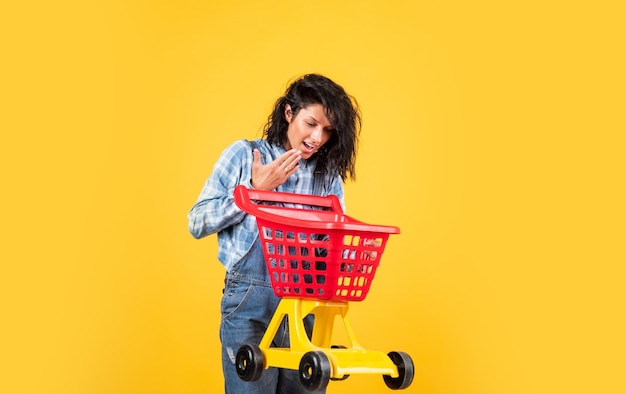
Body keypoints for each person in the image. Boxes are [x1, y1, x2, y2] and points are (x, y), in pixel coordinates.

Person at [187, 73, 361, 393]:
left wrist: (347, 261)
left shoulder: (328, 176)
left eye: (328, 130)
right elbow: (197, 222)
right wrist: (253, 190)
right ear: (289, 113)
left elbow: (333, 243)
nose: (318, 137)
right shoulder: (244, 156)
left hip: (305, 310)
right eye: (311, 123)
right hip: (249, 307)